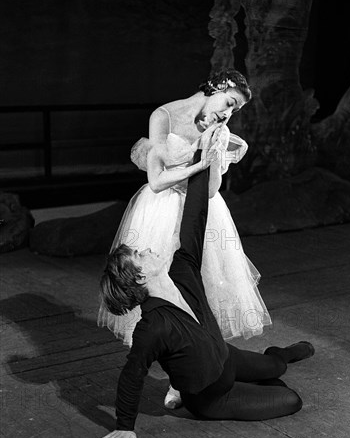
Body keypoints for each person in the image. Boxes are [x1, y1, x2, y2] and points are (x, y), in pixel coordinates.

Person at [96, 160, 314, 438]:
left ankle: (278, 356)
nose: (147, 248)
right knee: (290, 399)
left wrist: (203, 156)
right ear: (141, 275)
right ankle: (261, 381)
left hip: (227, 358)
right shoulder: (152, 328)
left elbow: (195, 217)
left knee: (275, 366)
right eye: (140, 254)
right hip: (213, 397)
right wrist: (124, 425)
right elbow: (132, 375)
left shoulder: (182, 270)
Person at [97, 69, 271, 408]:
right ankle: (179, 371)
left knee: (203, 285)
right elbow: (157, 179)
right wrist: (197, 162)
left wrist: (215, 156)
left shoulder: (220, 129)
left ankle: (208, 361)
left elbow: (212, 190)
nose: (228, 113)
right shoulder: (164, 116)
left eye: (235, 111)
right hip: (161, 208)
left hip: (199, 209)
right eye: (229, 103)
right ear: (218, 88)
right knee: (163, 291)